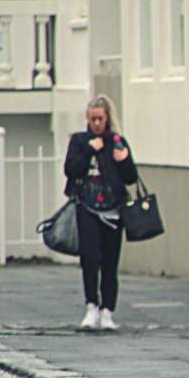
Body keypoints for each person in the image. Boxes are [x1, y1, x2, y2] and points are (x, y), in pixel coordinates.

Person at [63, 94, 138, 330]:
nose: (96, 124)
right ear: (87, 118)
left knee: (109, 261)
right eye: (93, 119)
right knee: (90, 258)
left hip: (113, 209)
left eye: (100, 119)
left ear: (107, 119)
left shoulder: (116, 141)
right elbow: (71, 170)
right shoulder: (79, 141)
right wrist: (88, 151)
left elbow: (130, 177)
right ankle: (91, 306)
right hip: (87, 206)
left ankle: (107, 310)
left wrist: (123, 159)